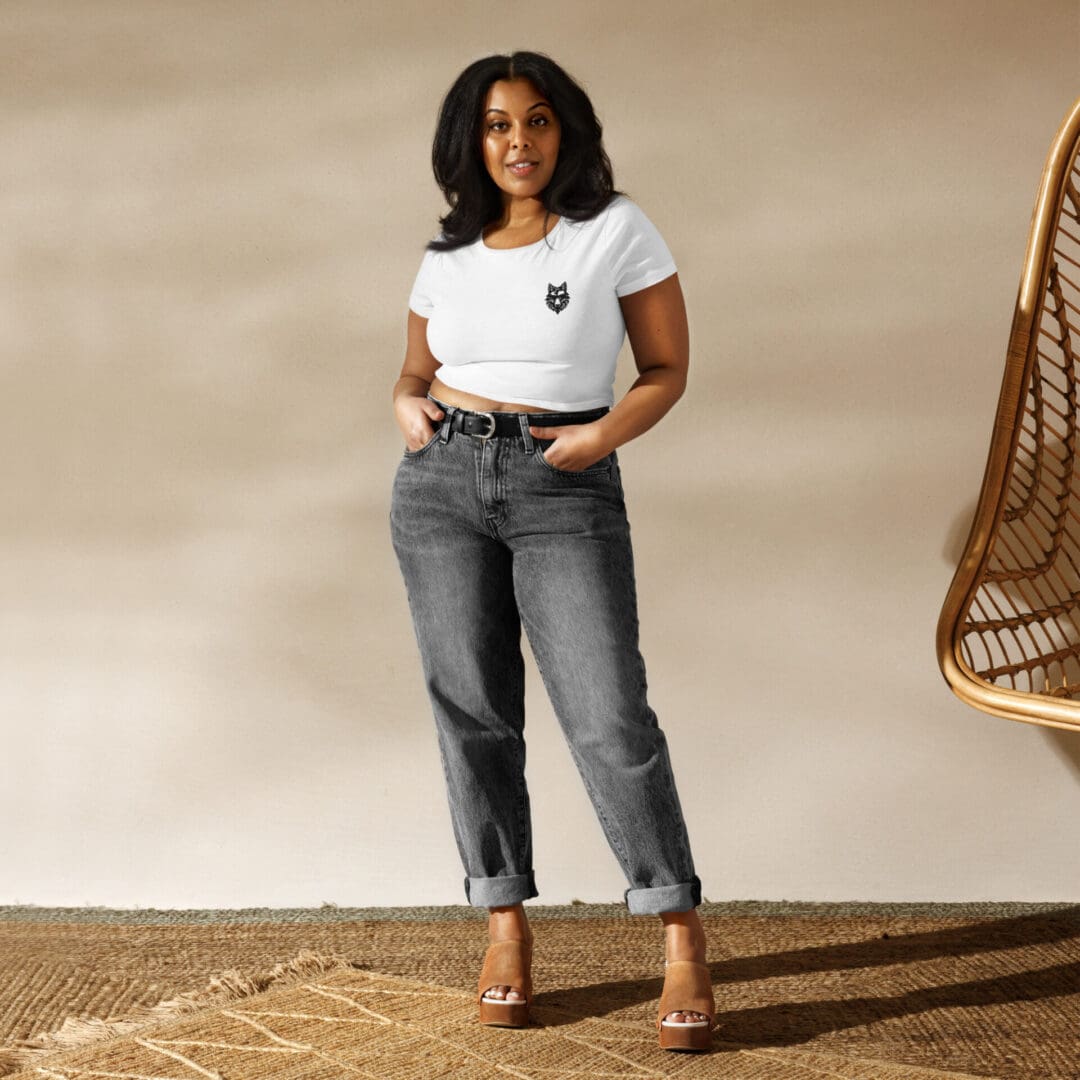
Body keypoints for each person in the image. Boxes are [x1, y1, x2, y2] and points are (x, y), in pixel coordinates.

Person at [390, 50, 716, 1052]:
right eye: (496, 125)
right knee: (473, 713)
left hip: (562, 478)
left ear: (563, 131)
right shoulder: (447, 254)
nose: (518, 142)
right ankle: (504, 927)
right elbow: (413, 371)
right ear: (471, 141)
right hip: (441, 485)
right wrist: (407, 408)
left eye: (535, 122)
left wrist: (602, 438)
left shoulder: (615, 232)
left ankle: (681, 932)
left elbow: (665, 367)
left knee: (609, 711)